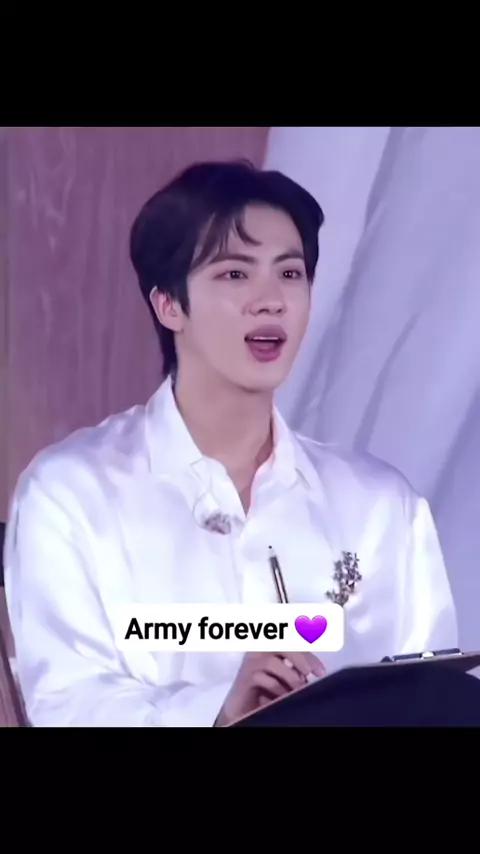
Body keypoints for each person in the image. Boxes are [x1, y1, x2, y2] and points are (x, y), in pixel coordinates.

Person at [4, 160, 458, 727]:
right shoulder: (71, 493)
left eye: (289, 273)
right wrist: (218, 709)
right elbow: (64, 704)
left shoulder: (381, 506)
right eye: (235, 274)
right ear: (168, 304)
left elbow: (433, 696)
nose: (271, 300)